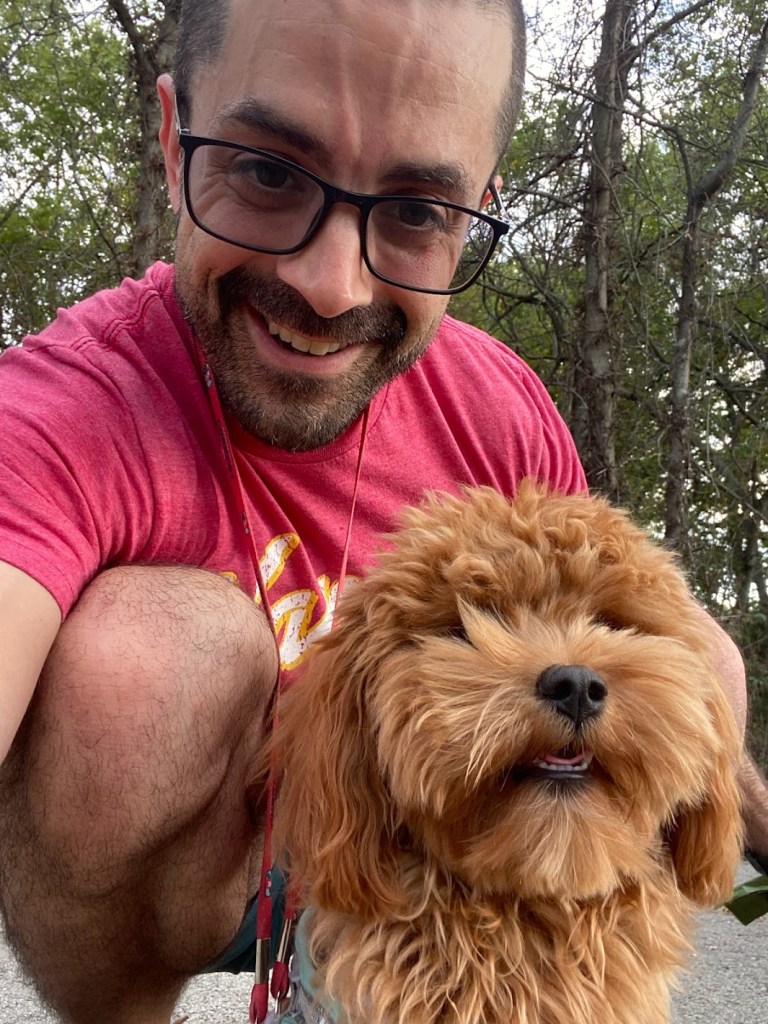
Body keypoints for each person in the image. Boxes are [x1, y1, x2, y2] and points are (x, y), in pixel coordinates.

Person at [0, 0, 762, 1022]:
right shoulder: (59, 413)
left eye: (415, 212)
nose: (331, 286)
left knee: (697, 653)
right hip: (194, 869)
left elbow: (601, 617)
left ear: (474, 210)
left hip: (441, 845)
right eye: (267, 172)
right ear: (174, 142)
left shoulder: (496, 401)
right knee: (149, 654)